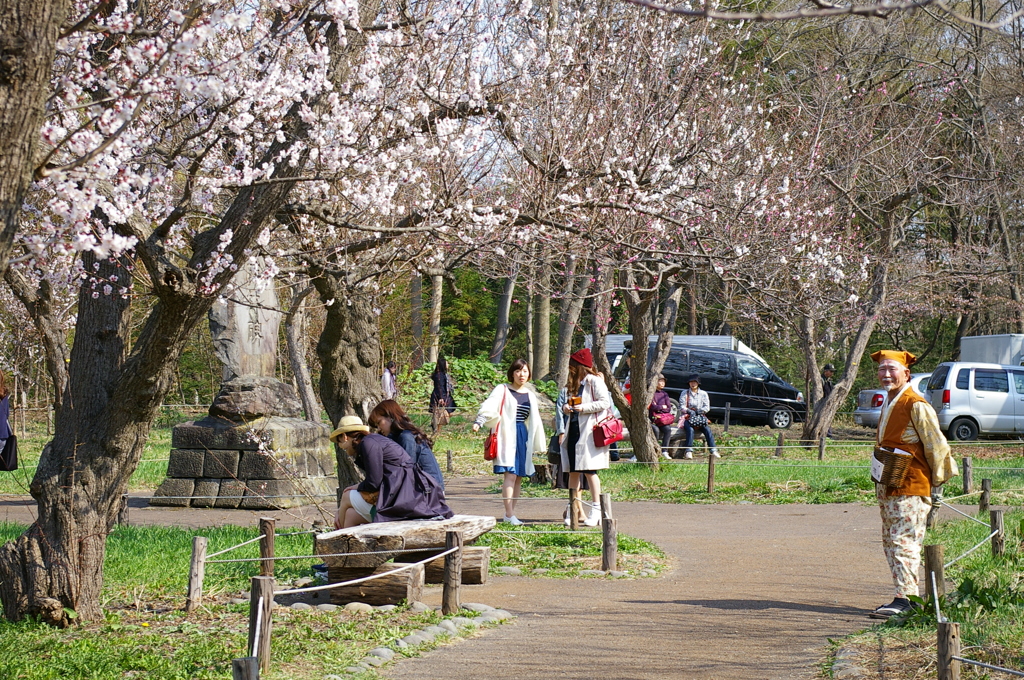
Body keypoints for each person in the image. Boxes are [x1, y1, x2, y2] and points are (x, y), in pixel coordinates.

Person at [868, 350, 957, 618]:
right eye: (882, 369)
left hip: (911, 485)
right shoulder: (890, 401)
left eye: (891, 369)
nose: (885, 374)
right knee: (891, 541)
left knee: (903, 540)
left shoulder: (915, 403)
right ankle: (903, 595)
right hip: (890, 483)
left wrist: (936, 482)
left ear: (906, 373)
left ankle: (908, 599)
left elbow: (937, 446)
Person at [331, 415, 452, 529]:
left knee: (346, 496)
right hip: (407, 494)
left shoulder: (368, 444)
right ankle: (348, 548)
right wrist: (355, 488)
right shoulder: (373, 440)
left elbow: (374, 483)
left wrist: (345, 502)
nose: (341, 446)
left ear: (344, 437)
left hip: (403, 498)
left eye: (339, 442)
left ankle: (335, 539)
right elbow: (377, 479)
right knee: (350, 515)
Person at [472, 358, 546, 526]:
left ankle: (510, 514)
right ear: (512, 373)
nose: (522, 375)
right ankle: (509, 513)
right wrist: (479, 421)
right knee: (510, 474)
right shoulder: (503, 389)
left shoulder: (530, 395)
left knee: (519, 476)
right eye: (518, 371)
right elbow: (490, 405)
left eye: (525, 371)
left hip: (522, 436)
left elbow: (535, 421)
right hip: (507, 435)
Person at [559, 348, 611, 527]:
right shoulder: (574, 383)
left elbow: (605, 402)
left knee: (590, 471)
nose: (570, 368)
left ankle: (596, 509)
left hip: (589, 432)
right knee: (573, 470)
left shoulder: (594, 381)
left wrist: (585, 408)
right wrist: (567, 408)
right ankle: (573, 507)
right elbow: (568, 404)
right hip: (573, 429)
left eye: (573, 364)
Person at [368, 399, 445, 490]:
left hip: (430, 491)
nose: (379, 428)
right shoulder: (396, 438)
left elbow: (407, 471)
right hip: (420, 487)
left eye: (379, 423)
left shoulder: (406, 437)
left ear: (390, 417)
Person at [681, 374, 718, 460]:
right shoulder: (684, 393)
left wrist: (700, 411)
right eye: (691, 382)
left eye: (694, 382)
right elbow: (682, 406)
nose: (693, 384)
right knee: (690, 429)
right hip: (688, 417)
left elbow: (707, 407)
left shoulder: (703, 394)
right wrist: (689, 411)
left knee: (707, 430)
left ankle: (713, 449)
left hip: (700, 417)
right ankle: (688, 450)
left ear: (698, 383)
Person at [649, 373, 675, 460]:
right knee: (655, 430)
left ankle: (664, 451)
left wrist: (659, 408)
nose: (662, 383)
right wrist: (661, 407)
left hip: (662, 420)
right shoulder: (651, 393)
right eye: (660, 381)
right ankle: (654, 450)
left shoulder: (665, 394)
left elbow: (668, 408)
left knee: (668, 430)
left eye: (663, 381)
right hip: (653, 419)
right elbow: (652, 407)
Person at [429, 355, 457, 434]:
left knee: (446, 412)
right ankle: (436, 429)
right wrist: (441, 398)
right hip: (440, 396)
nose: (448, 365)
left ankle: (437, 429)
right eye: (446, 363)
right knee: (439, 413)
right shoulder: (439, 375)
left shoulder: (443, 374)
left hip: (445, 395)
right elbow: (440, 387)